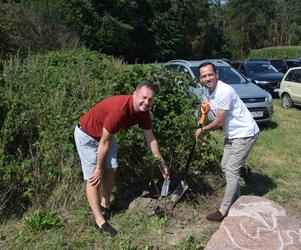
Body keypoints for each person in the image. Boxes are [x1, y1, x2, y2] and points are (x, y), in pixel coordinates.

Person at [74, 83, 170, 236]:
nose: (146, 102)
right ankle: (99, 221)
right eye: (143, 98)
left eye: (150, 100)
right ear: (134, 95)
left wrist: (161, 162)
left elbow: (150, 138)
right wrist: (98, 168)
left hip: (105, 136)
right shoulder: (119, 111)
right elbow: (104, 143)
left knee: (112, 168)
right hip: (87, 135)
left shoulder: (143, 112)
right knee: (93, 177)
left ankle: (105, 205)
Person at [195, 62, 259, 222]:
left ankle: (224, 209)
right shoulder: (211, 91)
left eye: (210, 74)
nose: (208, 78)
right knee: (225, 166)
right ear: (200, 79)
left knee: (231, 169)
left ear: (217, 74)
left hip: (245, 134)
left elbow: (218, 122)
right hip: (232, 134)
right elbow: (209, 107)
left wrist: (202, 130)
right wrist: (205, 110)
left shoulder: (224, 90)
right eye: (204, 76)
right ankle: (237, 200)